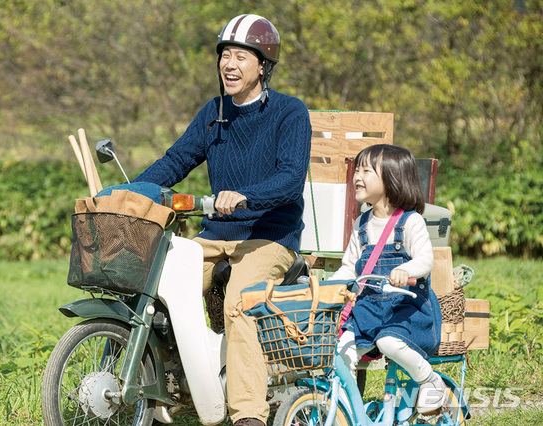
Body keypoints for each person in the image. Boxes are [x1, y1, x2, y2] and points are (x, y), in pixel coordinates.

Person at [132, 14, 312, 426]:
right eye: (224, 56)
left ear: (263, 65)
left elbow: (289, 179)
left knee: (240, 304)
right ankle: (166, 395)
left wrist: (247, 196)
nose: (229, 64)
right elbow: (176, 160)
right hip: (216, 235)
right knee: (154, 287)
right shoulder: (213, 113)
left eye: (240, 57)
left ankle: (248, 415)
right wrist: (132, 192)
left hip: (269, 238)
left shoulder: (290, 113)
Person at [332, 144, 445, 414]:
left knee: (388, 342)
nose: (357, 177)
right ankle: (347, 411)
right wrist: (330, 286)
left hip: (406, 309)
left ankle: (430, 379)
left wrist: (408, 271)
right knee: (341, 349)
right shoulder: (362, 223)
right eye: (356, 170)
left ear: (392, 178)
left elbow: (425, 260)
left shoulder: (410, 221)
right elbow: (349, 267)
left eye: (366, 171)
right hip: (369, 308)